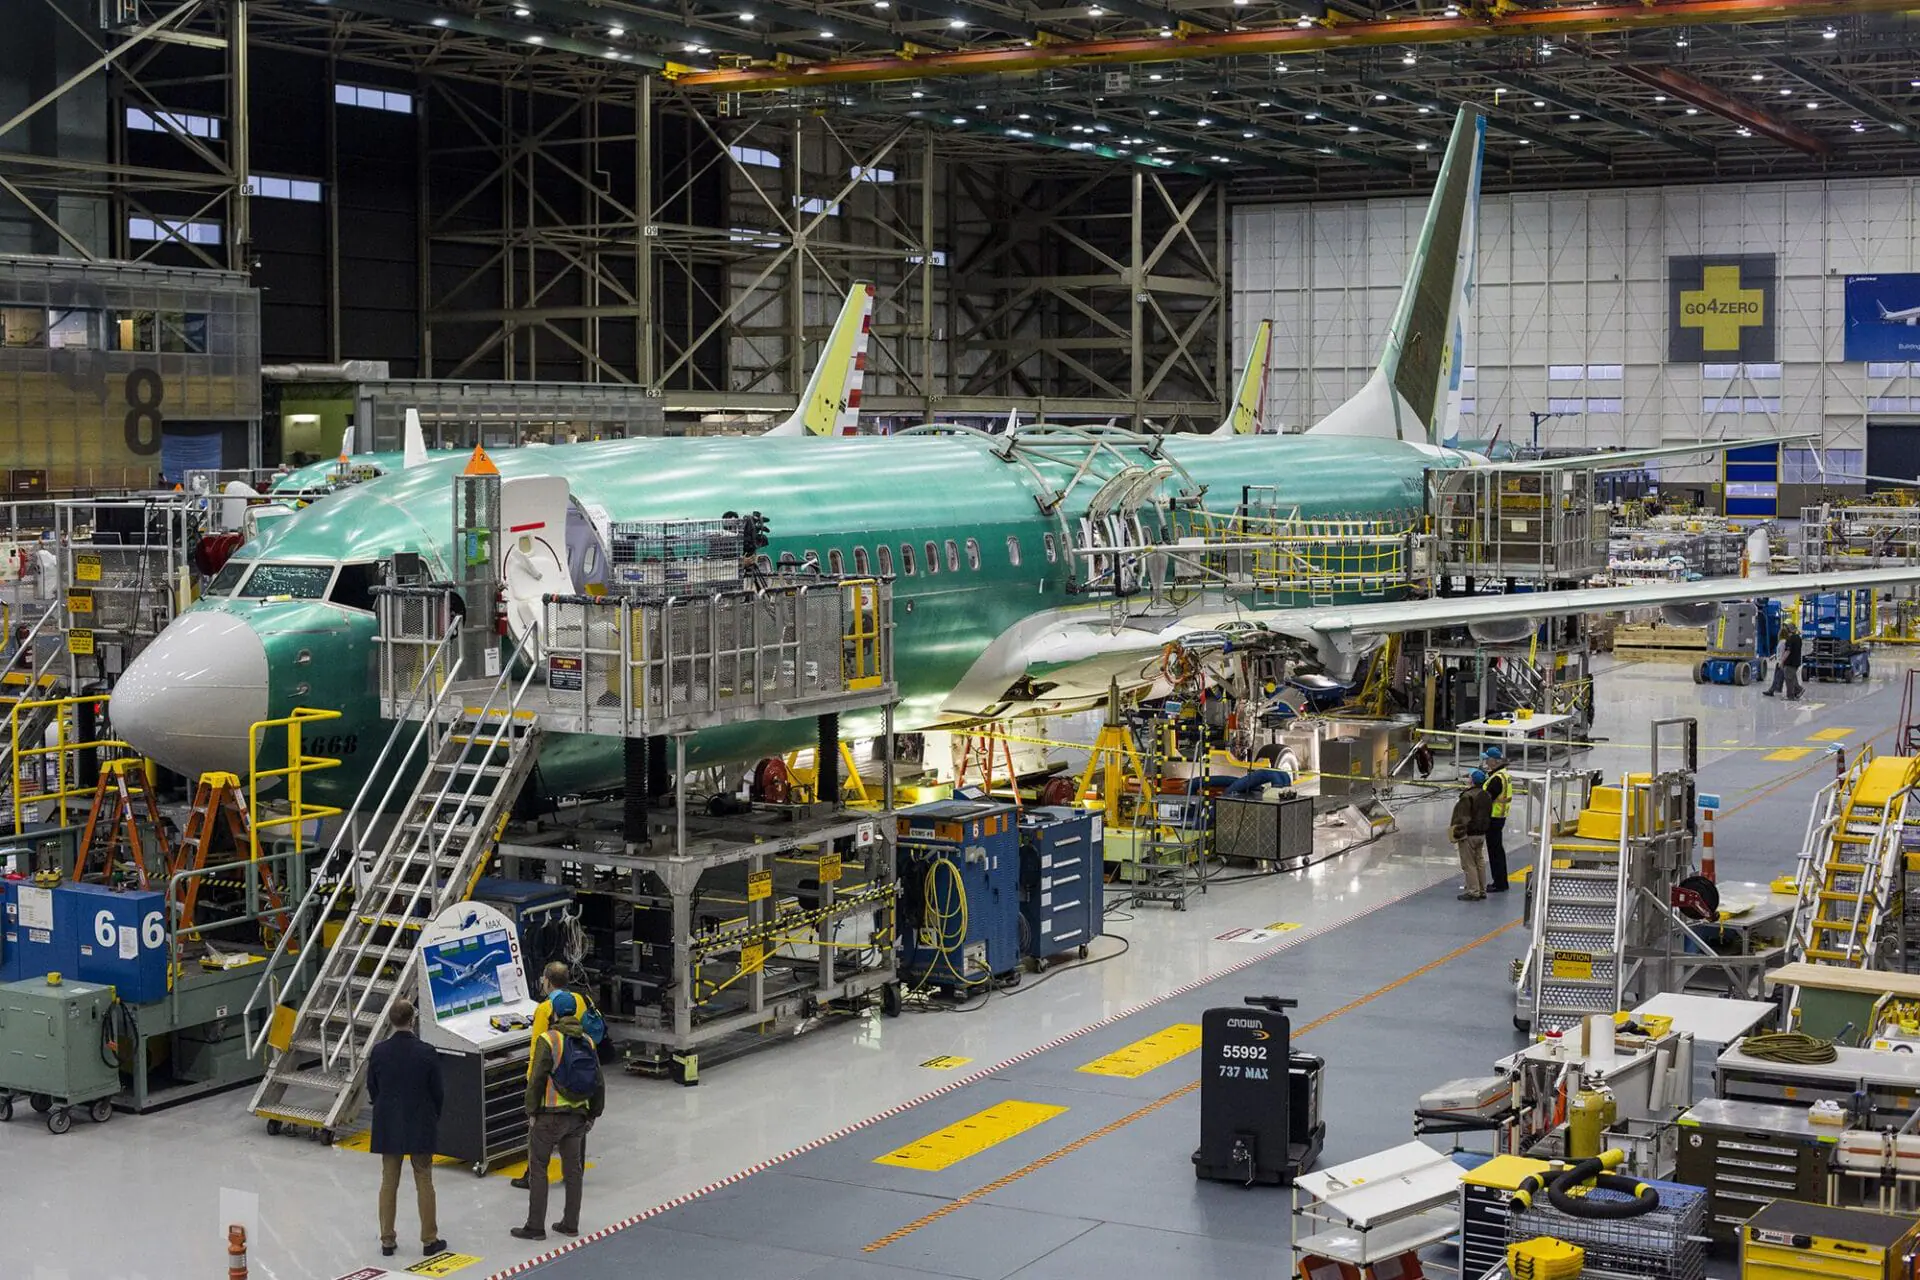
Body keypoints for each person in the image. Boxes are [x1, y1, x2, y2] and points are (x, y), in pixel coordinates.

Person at [512, 991, 605, 1242]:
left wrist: (530, 1110)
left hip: (549, 1117)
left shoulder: (549, 1039)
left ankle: (535, 1227)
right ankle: (570, 1223)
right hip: (577, 1118)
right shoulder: (588, 1040)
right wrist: (593, 1113)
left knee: (538, 1168)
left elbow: (537, 1079)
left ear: (553, 1013)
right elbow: (598, 1081)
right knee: (573, 1171)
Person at [366, 999, 447, 1259]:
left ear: (391, 1020)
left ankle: (387, 1240)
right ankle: (429, 1239)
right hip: (420, 1122)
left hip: (389, 1124)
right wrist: (434, 1115)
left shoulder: (379, 1051)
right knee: (424, 1179)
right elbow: (438, 1090)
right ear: (412, 1020)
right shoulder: (426, 1051)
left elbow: (373, 1087)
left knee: (389, 1181)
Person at [1449, 770, 1493, 902]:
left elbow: (1462, 817)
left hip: (1469, 835)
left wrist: (1457, 833)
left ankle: (1473, 891)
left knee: (1469, 863)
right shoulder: (1486, 795)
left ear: (1472, 781)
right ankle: (1482, 889)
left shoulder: (1467, 797)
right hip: (1481, 833)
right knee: (1479, 861)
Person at [1480, 747, 1512, 894]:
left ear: (1495, 761)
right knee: (1497, 850)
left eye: (1487, 759)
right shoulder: (1502, 774)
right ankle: (1501, 881)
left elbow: (1487, 798)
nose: (1485, 761)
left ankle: (1499, 883)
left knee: (1495, 852)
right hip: (1499, 817)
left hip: (1493, 818)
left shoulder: (1497, 778)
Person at [1763, 622, 1804, 701]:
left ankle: (1791, 695)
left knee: (1789, 680)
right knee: (1791, 678)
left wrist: (1782, 662)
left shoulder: (1789, 639)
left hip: (1790, 662)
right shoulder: (1798, 638)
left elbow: (1787, 652)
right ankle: (1796, 691)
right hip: (1796, 662)